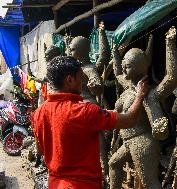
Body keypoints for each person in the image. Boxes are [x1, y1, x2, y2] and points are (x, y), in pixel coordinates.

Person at [31, 56, 149, 189]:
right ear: (69, 80)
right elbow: (130, 119)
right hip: (83, 184)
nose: (84, 82)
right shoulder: (85, 111)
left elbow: (40, 150)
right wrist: (140, 95)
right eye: (81, 77)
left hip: (55, 184)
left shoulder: (38, 114)